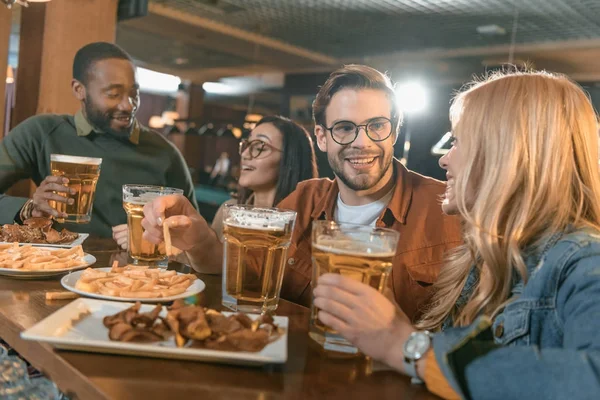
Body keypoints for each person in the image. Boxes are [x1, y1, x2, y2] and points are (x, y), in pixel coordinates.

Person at [312, 71, 600, 399]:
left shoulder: (583, 261)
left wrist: (406, 344)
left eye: (458, 142)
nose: (445, 159)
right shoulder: (485, 258)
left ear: (507, 154)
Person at [140, 65, 462, 321]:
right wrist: (198, 239)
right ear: (322, 138)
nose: (362, 143)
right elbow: (243, 271)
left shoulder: (448, 212)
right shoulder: (304, 201)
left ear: (394, 131)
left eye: (377, 125)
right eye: (345, 128)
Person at [0, 42, 197, 240]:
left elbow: (193, 234)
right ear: (79, 90)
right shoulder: (41, 133)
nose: (128, 106)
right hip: (58, 266)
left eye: (134, 93)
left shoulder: (165, 154)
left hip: (133, 269)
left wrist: (156, 237)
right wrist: (28, 209)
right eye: (113, 94)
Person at [211, 115, 318, 240]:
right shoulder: (229, 211)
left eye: (259, 147)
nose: (245, 154)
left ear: (290, 161)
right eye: (247, 145)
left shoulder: (308, 224)